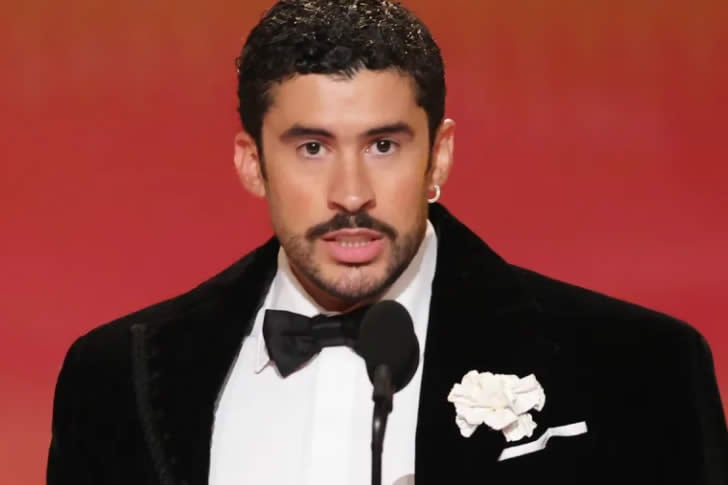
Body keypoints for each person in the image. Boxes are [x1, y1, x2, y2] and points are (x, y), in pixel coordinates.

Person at [47, 1, 727, 484]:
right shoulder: (115, 378)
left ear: (438, 156)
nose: (350, 194)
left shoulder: (638, 368)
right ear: (251, 162)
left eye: (382, 145)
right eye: (312, 147)